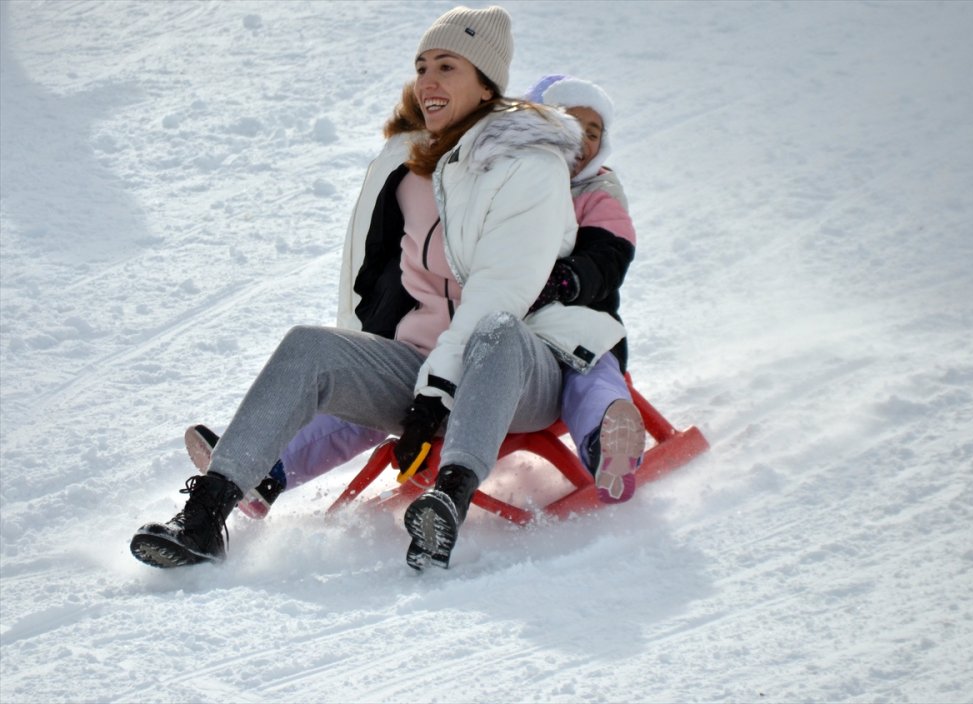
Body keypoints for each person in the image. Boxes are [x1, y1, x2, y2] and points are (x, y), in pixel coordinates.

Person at [130, 5, 626, 572]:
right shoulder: (406, 163)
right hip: (417, 373)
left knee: (494, 330)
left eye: (447, 66)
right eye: (421, 67)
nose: (428, 81)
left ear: (488, 84)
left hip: (520, 374)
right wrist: (364, 362)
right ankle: (204, 519)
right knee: (309, 346)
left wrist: (435, 394)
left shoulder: (529, 165)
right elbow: (369, 273)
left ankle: (449, 501)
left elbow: (500, 292)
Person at [183, 73, 645, 518]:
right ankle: (267, 468)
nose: (580, 139)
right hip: (473, 335)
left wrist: (568, 279)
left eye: (593, 131)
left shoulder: (596, 194)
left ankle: (607, 445)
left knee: (593, 375)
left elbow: (609, 256)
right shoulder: (499, 180)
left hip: (567, 335)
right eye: (568, 122)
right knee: (376, 400)